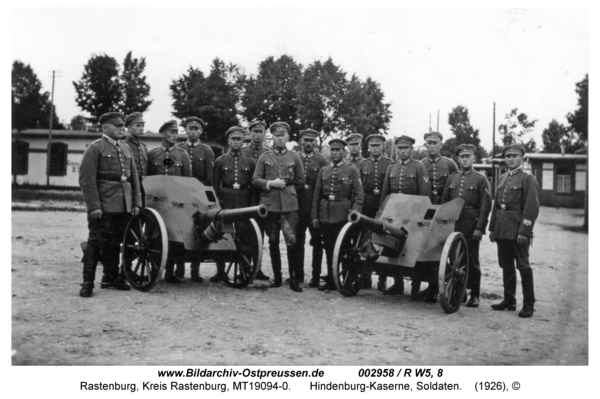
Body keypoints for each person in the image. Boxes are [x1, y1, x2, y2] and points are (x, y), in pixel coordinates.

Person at [78, 112, 141, 297]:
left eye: (122, 125)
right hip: (104, 204)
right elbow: (87, 180)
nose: (122, 128)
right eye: (117, 125)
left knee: (115, 242)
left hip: (123, 205)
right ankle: (88, 282)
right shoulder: (95, 148)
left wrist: (136, 203)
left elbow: (134, 179)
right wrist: (94, 207)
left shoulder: (126, 148)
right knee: (96, 242)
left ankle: (110, 278)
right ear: (105, 128)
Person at [252, 121, 305, 292]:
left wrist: (288, 190)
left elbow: (300, 181)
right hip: (270, 206)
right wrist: (271, 183)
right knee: (273, 242)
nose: (280, 138)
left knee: (292, 243)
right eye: (276, 135)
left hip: (289, 207)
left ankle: (294, 278)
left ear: (288, 137)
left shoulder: (294, 157)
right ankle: (277, 277)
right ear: (272, 137)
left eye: (283, 135)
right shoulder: (264, 157)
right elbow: (255, 180)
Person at [489, 144, 539, 318]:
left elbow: (531, 207)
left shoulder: (528, 178)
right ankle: (509, 300)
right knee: (506, 265)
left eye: (514, 155)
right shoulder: (503, 177)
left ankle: (529, 305)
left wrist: (524, 231)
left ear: (522, 158)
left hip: (518, 231)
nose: (510, 159)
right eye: (507, 156)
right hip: (503, 230)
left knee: (523, 266)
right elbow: (496, 206)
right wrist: (493, 228)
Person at [379, 135, 431, 296]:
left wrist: (422, 216)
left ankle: (415, 287)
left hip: (414, 215)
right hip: (394, 214)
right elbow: (385, 193)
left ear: (411, 149)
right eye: (400, 148)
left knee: (413, 250)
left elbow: (424, 194)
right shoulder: (392, 168)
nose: (402, 151)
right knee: (393, 247)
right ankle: (397, 283)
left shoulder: (419, 167)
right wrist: (381, 212)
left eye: (405, 148)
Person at [441, 144, 492, 308]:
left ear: (473, 159)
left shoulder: (480, 179)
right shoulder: (452, 178)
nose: (464, 159)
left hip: (471, 224)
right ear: (458, 159)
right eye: (462, 157)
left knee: (472, 259)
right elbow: (445, 202)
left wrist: (479, 228)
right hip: (454, 224)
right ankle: (459, 292)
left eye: (468, 156)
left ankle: (475, 295)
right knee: (453, 260)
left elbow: (486, 206)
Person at [311, 138, 364, 293]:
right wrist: (314, 216)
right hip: (326, 214)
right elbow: (317, 195)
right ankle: (332, 281)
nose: (334, 153)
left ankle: (346, 281)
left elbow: (359, 195)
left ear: (344, 152)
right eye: (332, 150)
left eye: (338, 150)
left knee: (345, 250)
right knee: (328, 249)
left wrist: (355, 214)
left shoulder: (351, 169)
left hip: (343, 215)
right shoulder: (324, 170)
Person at [147, 120, 192, 283]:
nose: (174, 135)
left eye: (176, 132)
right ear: (163, 134)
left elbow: (188, 180)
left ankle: (171, 272)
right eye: (171, 133)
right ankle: (153, 269)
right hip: (157, 205)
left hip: (176, 204)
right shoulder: (152, 155)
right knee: (154, 236)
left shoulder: (182, 155)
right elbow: (148, 180)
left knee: (175, 236)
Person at [415, 131, 459, 300]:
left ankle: (439, 287)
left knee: (440, 249)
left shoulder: (450, 164)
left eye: (435, 143)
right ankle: (426, 286)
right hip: (425, 211)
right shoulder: (420, 164)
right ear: (425, 145)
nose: (432, 146)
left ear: (441, 145)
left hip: (443, 210)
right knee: (423, 248)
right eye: (429, 143)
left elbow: (455, 185)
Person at [210, 126, 257, 282]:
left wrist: (252, 206)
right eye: (233, 139)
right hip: (226, 201)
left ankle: (243, 269)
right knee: (224, 234)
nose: (236, 142)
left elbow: (253, 186)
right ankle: (220, 271)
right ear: (228, 141)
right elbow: (215, 186)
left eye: (239, 139)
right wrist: (217, 204)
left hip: (244, 200)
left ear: (243, 141)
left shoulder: (250, 161)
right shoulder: (220, 161)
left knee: (245, 236)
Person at [177, 116, 215, 281]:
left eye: (196, 129)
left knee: (198, 231)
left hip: (199, 196)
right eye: (190, 129)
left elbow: (209, 178)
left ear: (201, 131)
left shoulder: (207, 151)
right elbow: (169, 170)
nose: (193, 132)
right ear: (186, 130)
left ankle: (195, 270)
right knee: (179, 229)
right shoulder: (177, 149)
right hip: (180, 194)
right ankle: (178, 267)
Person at [358, 134, 395, 290]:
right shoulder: (362, 164)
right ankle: (365, 277)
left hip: (384, 206)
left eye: (377, 146)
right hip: (366, 207)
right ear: (368, 148)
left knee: (383, 242)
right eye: (372, 146)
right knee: (364, 242)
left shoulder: (390, 164)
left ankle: (382, 279)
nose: (375, 149)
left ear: (382, 147)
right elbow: (358, 188)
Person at [295, 129, 328, 288]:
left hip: (315, 209)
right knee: (297, 242)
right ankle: (298, 275)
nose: (308, 143)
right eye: (306, 140)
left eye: (311, 140)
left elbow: (325, 185)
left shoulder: (321, 160)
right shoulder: (295, 157)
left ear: (316, 142)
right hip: (298, 207)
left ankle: (315, 276)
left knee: (317, 242)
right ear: (301, 140)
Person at [241, 120, 271, 281]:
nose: (258, 135)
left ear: (264, 134)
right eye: (255, 132)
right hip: (245, 199)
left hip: (262, 200)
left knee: (259, 236)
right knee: (243, 234)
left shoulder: (269, 153)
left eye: (260, 132)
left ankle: (257, 268)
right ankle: (243, 267)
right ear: (250, 133)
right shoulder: (243, 151)